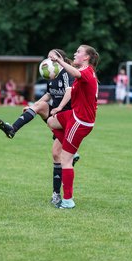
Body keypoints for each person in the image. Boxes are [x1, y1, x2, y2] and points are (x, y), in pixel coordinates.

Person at [0, 49, 79, 204]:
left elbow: (69, 92)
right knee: (40, 106)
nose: (49, 60)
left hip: (68, 118)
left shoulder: (67, 74)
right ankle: (12, 129)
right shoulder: (51, 76)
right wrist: (32, 107)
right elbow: (48, 95)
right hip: (56, 116)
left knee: (57, 154)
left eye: (52, 57)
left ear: (60, 58)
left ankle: (58, 193)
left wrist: (60, 107)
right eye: (48, 57)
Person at [47, 45, 99, 209]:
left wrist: (61, 61)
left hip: (80, 121)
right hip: (74, 115)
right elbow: (71, 89)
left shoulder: (86, 72)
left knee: (65, 159)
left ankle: (68, 200)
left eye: (78, 52)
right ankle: (73, 149)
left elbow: (75, 73)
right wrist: (60, 107)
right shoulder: (82, 72)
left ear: (86, 57)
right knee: (51, 120)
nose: (75, 54)